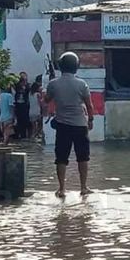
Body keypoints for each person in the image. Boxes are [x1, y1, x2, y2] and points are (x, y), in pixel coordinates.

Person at [44, 52, 95, 198]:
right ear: (76, 66)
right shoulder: (82, 84)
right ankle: (84, 187)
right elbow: (89, 105)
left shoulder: (53, 84)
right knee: (83, 157)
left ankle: (61, 189)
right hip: (80, 125)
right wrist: (90, 119)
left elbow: (46, 101)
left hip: (62, 125)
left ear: (61, 66)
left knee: (61, 157)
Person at [14, 72, 30, 139]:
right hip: (18, 105)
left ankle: (24, 134)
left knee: (25, 120)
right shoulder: (17, 86)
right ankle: (18, 134)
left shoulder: (27, 87)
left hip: (24, 105)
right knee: (19, 120)